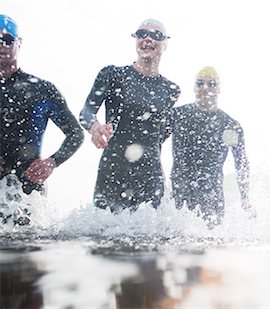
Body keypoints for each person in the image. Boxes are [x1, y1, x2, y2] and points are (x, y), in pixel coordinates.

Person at [79, 19, 180, 212]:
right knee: (103, 235)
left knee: (152, 238)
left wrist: (162, 175)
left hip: (150, 174)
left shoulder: (171, 90)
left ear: (165, 44)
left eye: (156, 35)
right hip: (114, 168)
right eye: (142, 33)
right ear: (135, 39)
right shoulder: (113, 75)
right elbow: (87, 111)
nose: (148, 38)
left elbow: (158, 137)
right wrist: (95, 127)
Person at [0, 14, 83, 196]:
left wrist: (52, 162)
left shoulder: (41, 89)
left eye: (7, 39)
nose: (2, 45)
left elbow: (75, 134)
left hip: (28, 193)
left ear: (18, 43)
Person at [167, 66, 254, 228]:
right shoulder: (177, 115)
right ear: (194, 88)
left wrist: (245, 198)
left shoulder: (230, 125)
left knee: (210, 247)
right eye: (200, 83)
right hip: (180, 193)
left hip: (211, 197)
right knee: (175, 247)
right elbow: (153, 142)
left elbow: (241, 163)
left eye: (211, 84)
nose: (205, 88)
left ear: (219, 89)